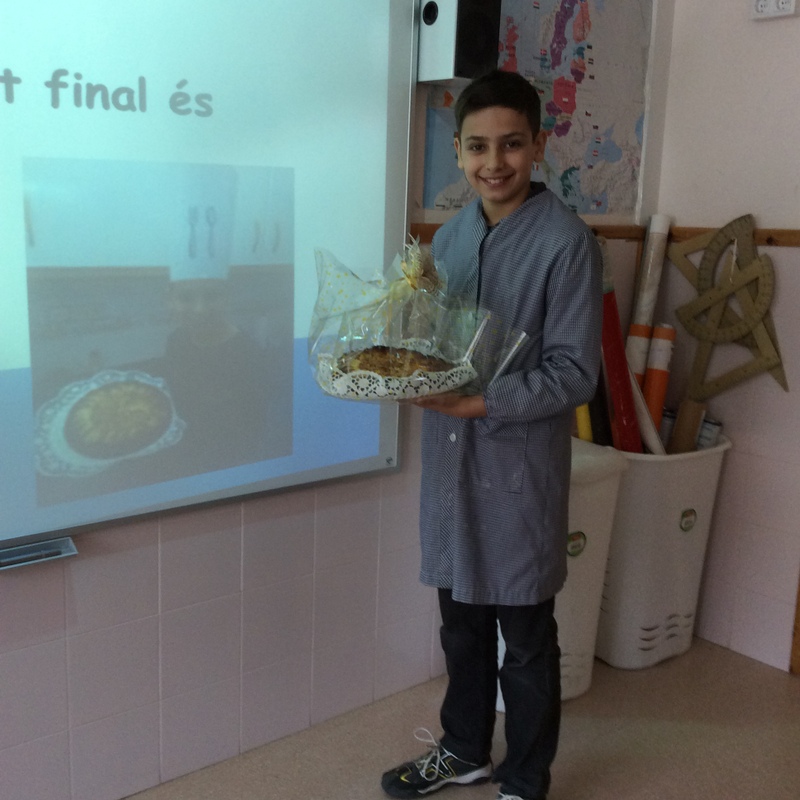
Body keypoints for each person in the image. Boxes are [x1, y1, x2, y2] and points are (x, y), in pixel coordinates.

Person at [380, 70, 603, 800]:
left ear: (538, 144)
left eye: (511, 144)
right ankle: (464, 749)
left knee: (526, 636)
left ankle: (526, 778)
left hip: (517, 470)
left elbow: (575, 374)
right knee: (461, 624)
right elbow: (440, 344)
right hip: (451, 464)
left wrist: (480, 403)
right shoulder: (450, 238)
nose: (494, 162)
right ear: (457, 151)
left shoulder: (566, 244)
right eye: (478, 146)